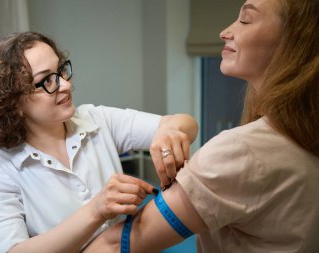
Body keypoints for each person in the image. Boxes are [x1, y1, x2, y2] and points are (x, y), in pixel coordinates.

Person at [83, 0, 319, 252]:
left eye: (245, 19)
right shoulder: (303, 135)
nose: (224, 32)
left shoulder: (242, 150)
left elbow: (117, 244)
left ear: (294, 40)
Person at [0, 31, 198, 253]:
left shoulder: (96, 119)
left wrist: (169, 133)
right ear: (11, 102)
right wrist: (96, 210)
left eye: (61, 71)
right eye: (47, 81)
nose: (66, 85)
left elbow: (184, 123)